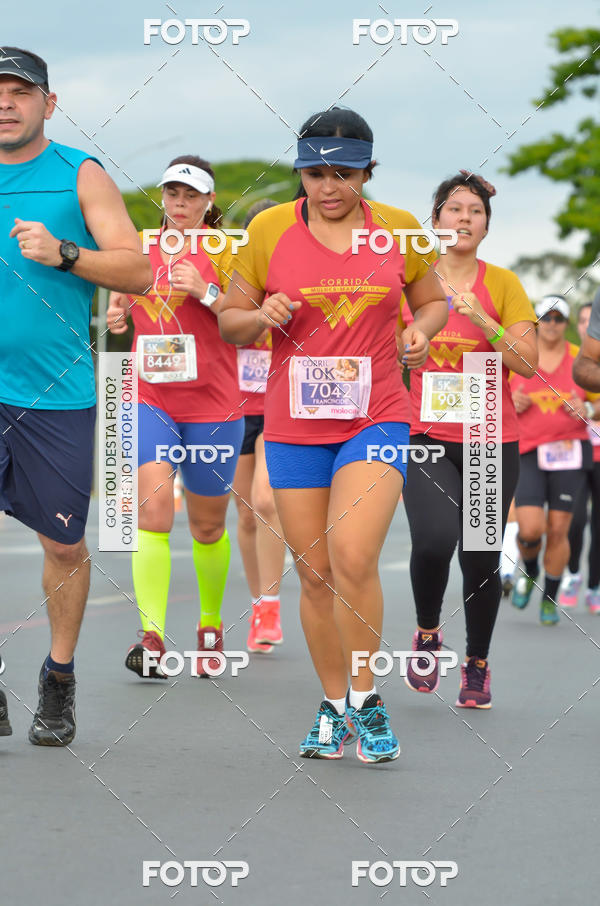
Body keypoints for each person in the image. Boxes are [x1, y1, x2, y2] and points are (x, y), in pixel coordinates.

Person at [219, 107, 448, 763]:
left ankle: (368, 697)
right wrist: (259, 312)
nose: (328, 185)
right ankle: (334, 704)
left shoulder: (399, 230)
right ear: (300, 171)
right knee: (314, 575)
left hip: (376, 412)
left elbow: (433, 299)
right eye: (315, 171)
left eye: (343, 172)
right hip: (293, 424)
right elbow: (230, 320)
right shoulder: (267, 230)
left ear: (367, 172)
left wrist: (420, 330)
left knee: (352, 557)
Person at [0, 48, 152, 744]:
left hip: (54, 392)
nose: (6, 103)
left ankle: (58, 677)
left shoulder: (79, 173)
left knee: (63, 546)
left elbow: (138, 270)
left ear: (48, 105)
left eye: (20, 92)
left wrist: (65, 252)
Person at [402, 171, 538, 708]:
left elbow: (526, 363)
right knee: (433, 540)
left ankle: (477, 663)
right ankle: (428, 632)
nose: (464, 217)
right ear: (435, 220)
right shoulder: (411, 280)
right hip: (424, 433)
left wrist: (482, 316)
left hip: (488, 436)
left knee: (481, 556)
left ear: (485, 225)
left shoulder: (502, 283)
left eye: (475, 211)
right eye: (454, 209)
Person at [106, 156, 244, 677]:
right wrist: (118, 311)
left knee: (207, 527)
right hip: (150, 399)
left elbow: (248, 319)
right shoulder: (137, 248)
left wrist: (205, 291)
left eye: (191, 196)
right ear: (161, 197)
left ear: (210, 202)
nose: (180, 204)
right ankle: (153, 636)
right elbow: (118, 305)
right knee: (154, 512)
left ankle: (210, 623)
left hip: (214, 404)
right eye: (172, 194)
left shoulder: (229, 251)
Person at [511, 295, 594, 624]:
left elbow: (598, 403)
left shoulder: (581, 358)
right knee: (530, 530)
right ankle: (529, 569)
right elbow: (487, 394)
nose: (552, 324)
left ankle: (550, 596)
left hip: (569, 453)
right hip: (527, 451)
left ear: (567, 323)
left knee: (559, 530)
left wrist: (587, 408)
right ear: (536, 322)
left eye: (559, 318)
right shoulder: (519, 355)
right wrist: (508, 399)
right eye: (545, 318)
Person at [232, 199, 287, 654]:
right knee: (245, 514)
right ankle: (257, 601)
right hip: (233, 406)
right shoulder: (235, 276)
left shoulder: (300, 275)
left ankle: (271, 603)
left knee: (266, 500)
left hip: (280, 405)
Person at [559, 300, 600, 612]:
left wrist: (589, 408)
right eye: (583, 322)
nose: (588, 326)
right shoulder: (573, 357)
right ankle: (572, 573)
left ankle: (594, 585)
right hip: (575, 449)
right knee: (575, 521)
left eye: (591, 320)